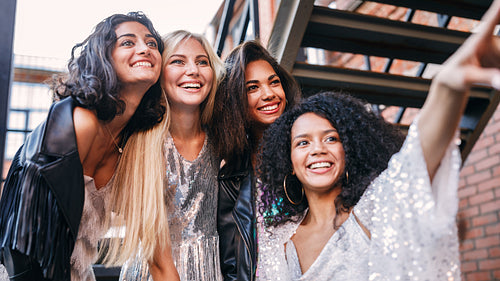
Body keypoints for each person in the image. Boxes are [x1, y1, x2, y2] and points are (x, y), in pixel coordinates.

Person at [255, 0, 500, 279]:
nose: (318, 150)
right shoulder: (276, 241)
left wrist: (447, 85)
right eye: (303, 142)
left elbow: (415, 159)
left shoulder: (375, 211)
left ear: (349, 151)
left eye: (331, 138)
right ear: (289, 161)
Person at [0, 12, 169, 281]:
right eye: (127, 42)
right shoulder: (80, 122)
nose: (144, 49)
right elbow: (23, 245)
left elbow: (159, 256)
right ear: (104, 57)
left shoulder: (133, 145)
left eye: (152, 44)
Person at [119, 30, 225, 281]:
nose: (193, 70)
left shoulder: (223, 140)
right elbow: (155, 254)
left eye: (202, 62)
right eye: (178, 61)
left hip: (211, 270)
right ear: (160, 73)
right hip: (152, 273)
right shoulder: (141, 142)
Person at [209, 40, 301, 281]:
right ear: (235, 99)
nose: (269, 94)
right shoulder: (230, 178)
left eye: (274, 82)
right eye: (252, 88)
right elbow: (232, 261)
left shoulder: (308, 154)